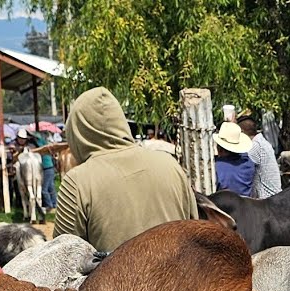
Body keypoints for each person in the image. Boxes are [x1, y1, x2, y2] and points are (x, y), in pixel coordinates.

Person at [55, 86, 197, 252]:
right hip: (179, 276)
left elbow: (60, 260)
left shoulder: (77, 182)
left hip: (116, 278)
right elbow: (195, 230)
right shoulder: (170, 164)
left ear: (77, 133)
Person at [240, 117, 281, 199]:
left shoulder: (255, 146)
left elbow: (241, 168)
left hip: (266, 199)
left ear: (242, 132)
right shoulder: (261, 142)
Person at [213, 121, 255, 195]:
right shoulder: (248, 163)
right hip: (246, 204)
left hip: (224, 205)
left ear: (220, 148)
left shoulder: (216, 167)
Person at [32, 130, 58, 211]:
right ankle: (55, 205)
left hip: (46, 168)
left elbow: (37, 151)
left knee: (44, 189)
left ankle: (49, 206)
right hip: (50, 167)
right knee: (51, 188)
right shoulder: (45, 143)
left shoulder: (40, 144)